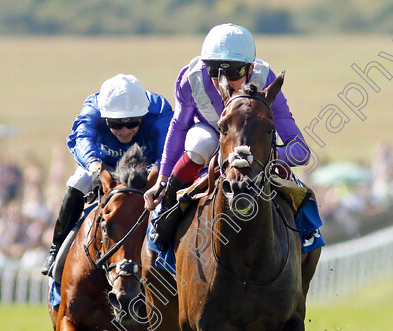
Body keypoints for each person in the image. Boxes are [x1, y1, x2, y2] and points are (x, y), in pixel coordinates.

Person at [144, 24, 316, 248]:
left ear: (250, 68)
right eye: (214, 70)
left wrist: (263, 155)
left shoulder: (266, 80)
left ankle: (307, 239)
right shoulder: (191, 78)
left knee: (304, 198)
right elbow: (178, 127)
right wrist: (163, 180)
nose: (221, 80)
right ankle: (166, 215)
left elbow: (301, 152)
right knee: (201, 143)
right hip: (210, 138)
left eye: (234, 72)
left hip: (252, 145)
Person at [41, 74, 173, 276]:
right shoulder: (93, 107)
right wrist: (96, 167)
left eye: (132, 122)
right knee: (79, 181)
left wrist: (156, 175)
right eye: (116, 124)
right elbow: (81, 137)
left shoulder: (159, 110)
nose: (124, 130)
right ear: (104, 117)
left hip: (146, 168)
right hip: (104, 165)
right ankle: (56, 249)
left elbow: (169, 150)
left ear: (143, 116)